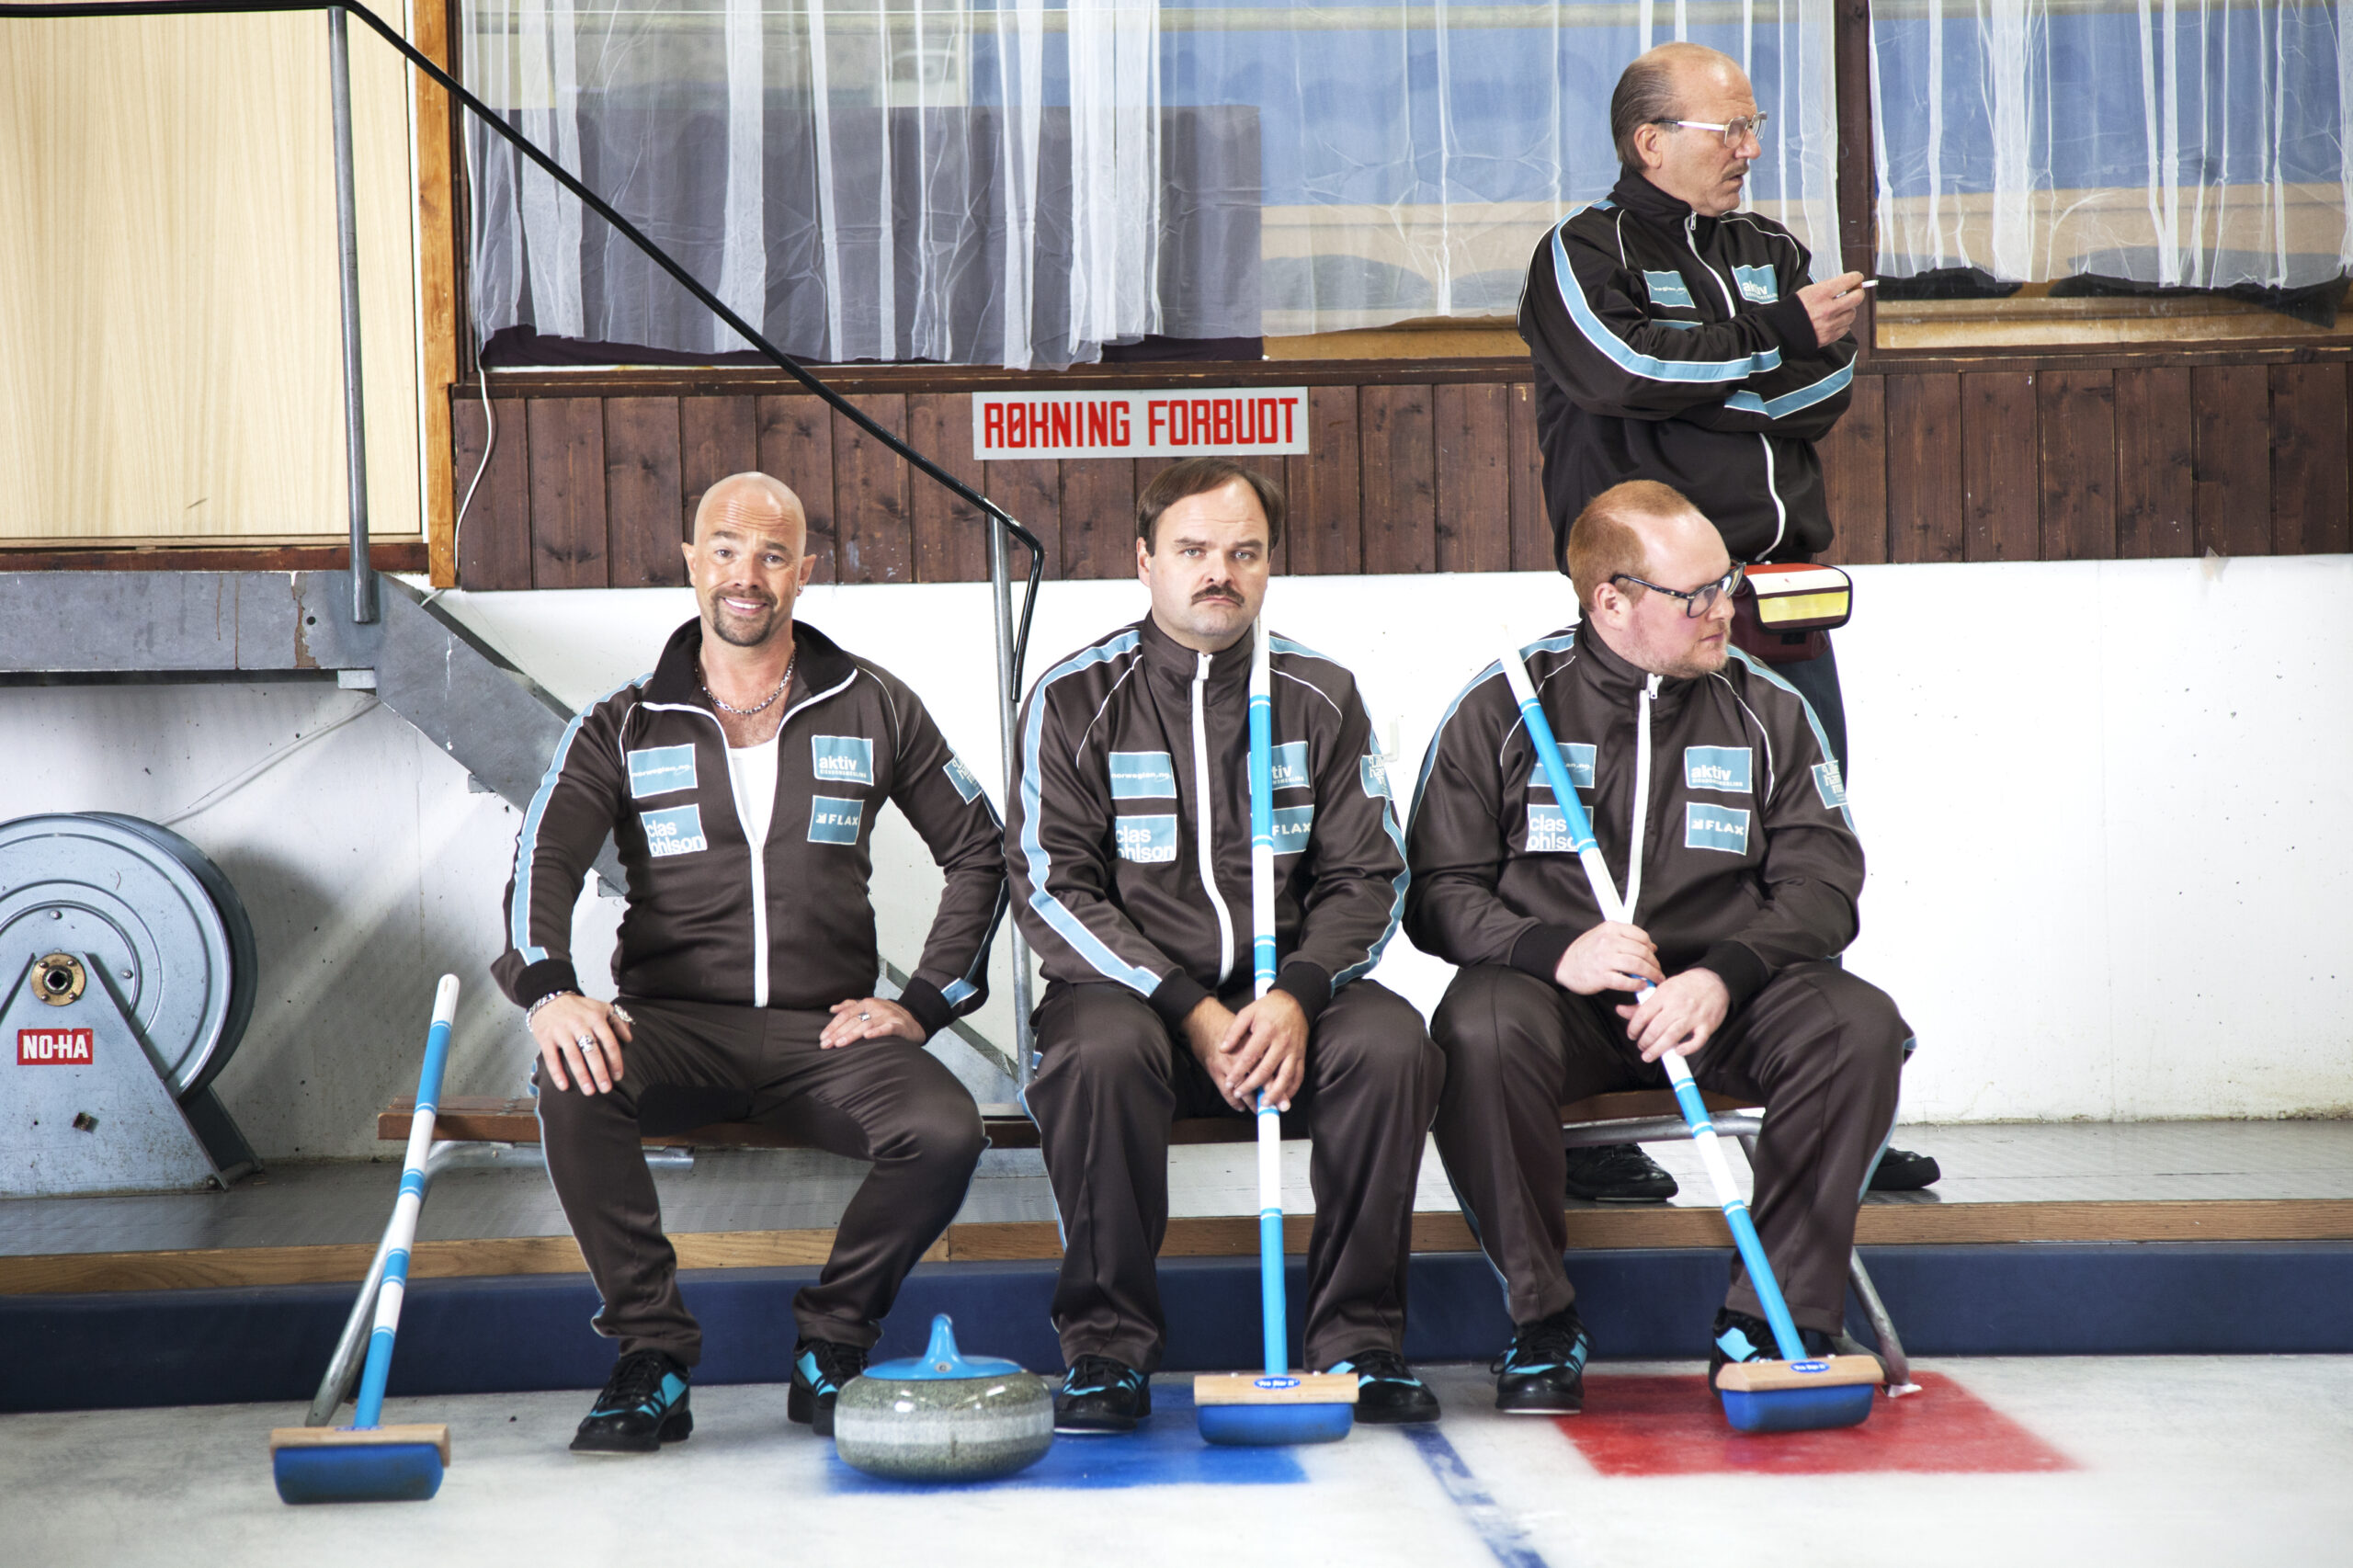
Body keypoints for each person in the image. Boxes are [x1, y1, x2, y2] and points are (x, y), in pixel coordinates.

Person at [494, 472, 1007, 1453]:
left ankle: (834, 1340)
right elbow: (541, 859)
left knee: (945, 1129)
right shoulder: (624, 720)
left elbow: (981, 847)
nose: (747, 575)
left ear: (803, 573)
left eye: (773, 555)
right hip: (674, 1026)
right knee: (571, 1075)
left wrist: (924, 1002)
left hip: (828, 1035)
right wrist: (550, 991)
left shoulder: (873, 703)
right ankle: (651, 1353)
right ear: (693, 562)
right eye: (726, 550)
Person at [1520, 41, 1937, 1197]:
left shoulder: (1769, 254)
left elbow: (1823, 386)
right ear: (1650, 141)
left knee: (1800, 848)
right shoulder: (1582, 253)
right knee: (1609, 861)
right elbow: (1618, 369)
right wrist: (1769, 346)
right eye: (1729, 129)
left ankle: (1831, 1101)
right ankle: (1594, 1127)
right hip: (1639, 614)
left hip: (1779, 605)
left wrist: (1707, 384)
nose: (1751, 149)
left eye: (1754, 128)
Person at [1404, 480, 1909, 1413]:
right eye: (1697, 594)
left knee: (1858, 1025)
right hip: (1557, 1000)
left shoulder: (1769, 708)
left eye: (1728, 581)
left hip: (1727, 999)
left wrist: (1722, 974)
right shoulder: (1504, 704)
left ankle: (1771, 1322)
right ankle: (1542, 1322)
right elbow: (1436, 890)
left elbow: (1824, 885)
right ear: (1611, 601)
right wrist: (1553, 950)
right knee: (1477, 1029)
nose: (1726, 609)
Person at [1005, 457, 1444, 1432]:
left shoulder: (1320, 693)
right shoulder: (1073, 697)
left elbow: (1368, 875)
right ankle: (1107, 1350)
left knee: (1390, 1043)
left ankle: (1358, 1341)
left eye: (1245, 552)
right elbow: (1050, 886)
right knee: (1096, 1052)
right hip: (1133, 1002)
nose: (1220, 572)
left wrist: (1296, 994)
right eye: (1194, 550)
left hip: (1287, 1001)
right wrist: (1188, 1008)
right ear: (1145, 561)